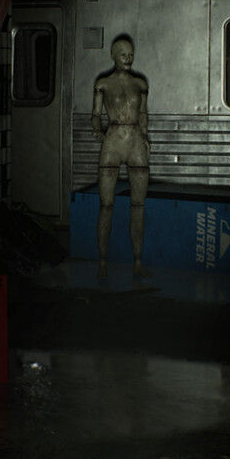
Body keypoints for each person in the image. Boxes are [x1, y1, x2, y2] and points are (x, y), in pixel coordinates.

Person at [92, 35, 150, 278]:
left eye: (130, 54)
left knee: (138, 206)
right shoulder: (103, 83)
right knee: (106, 205)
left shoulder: (140, 83)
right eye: (123, 54)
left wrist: (145, 138)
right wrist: (97, 129)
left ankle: (137, 261)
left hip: (135, 140)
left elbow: (143, 113)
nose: (128, 58)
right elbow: (96, 114)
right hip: (113, 141)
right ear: (113, 55)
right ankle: (102, 262)